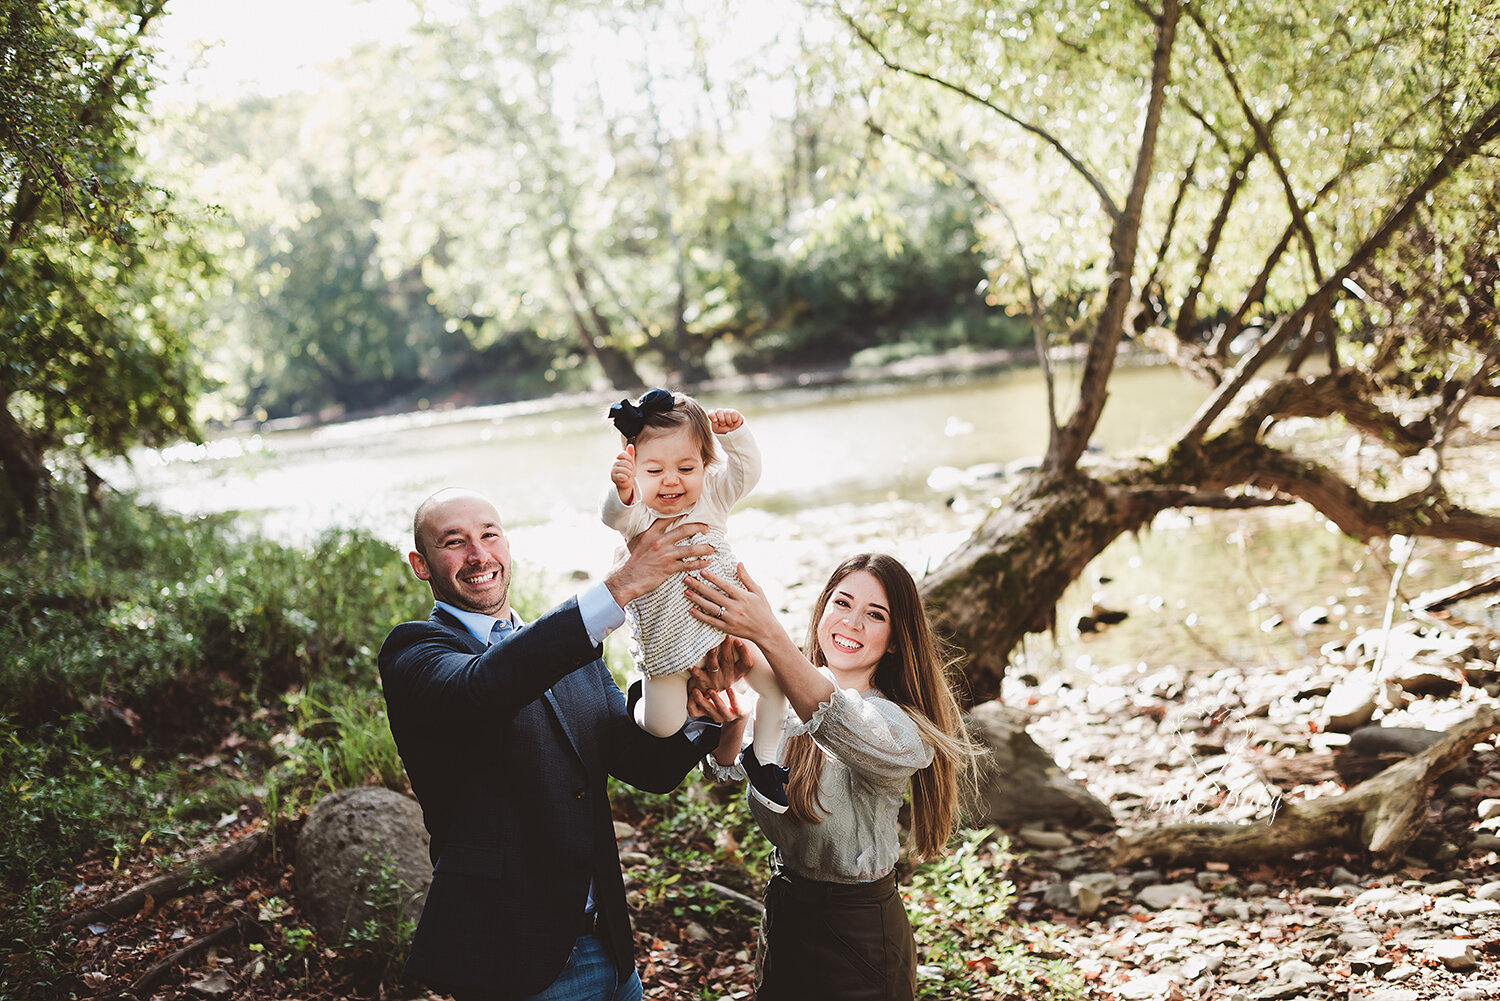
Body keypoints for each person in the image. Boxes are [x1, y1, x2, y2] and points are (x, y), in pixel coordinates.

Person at [378, 487, 729, 1001]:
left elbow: (644, 767)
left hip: (610, 948)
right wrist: (622, 585)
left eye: (489, 535)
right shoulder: (415, 652)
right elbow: (483, 687)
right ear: (420, 564)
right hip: (515, 962)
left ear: (507, 544)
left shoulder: (563, 646)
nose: (478, 556)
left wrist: (692, 712)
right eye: (454, 542)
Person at [681, 553, 977, 1001]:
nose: (852, 623)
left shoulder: (898, 725)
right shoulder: (778, 694)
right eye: (842, 603)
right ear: (822, 610)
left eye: (875, 615)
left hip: (858, 932)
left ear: (895, 640)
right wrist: (731, 720)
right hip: (785, 911)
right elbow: (727, 768)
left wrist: (768, 633)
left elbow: (833, 718)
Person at [601, 388, 790, 813]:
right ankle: (639, 701)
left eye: (686, 467)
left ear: (706, 465)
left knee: (776, 685)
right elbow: (614, 515)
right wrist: (623, 489)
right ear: (636, 470)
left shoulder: (712, 499)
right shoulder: (641, 516)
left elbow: (746, 474)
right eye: (654, 470)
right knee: (664, 725)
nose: (671, 481)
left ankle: (763, 762)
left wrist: (736, 436)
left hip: (725, 627)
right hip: (668, 645)